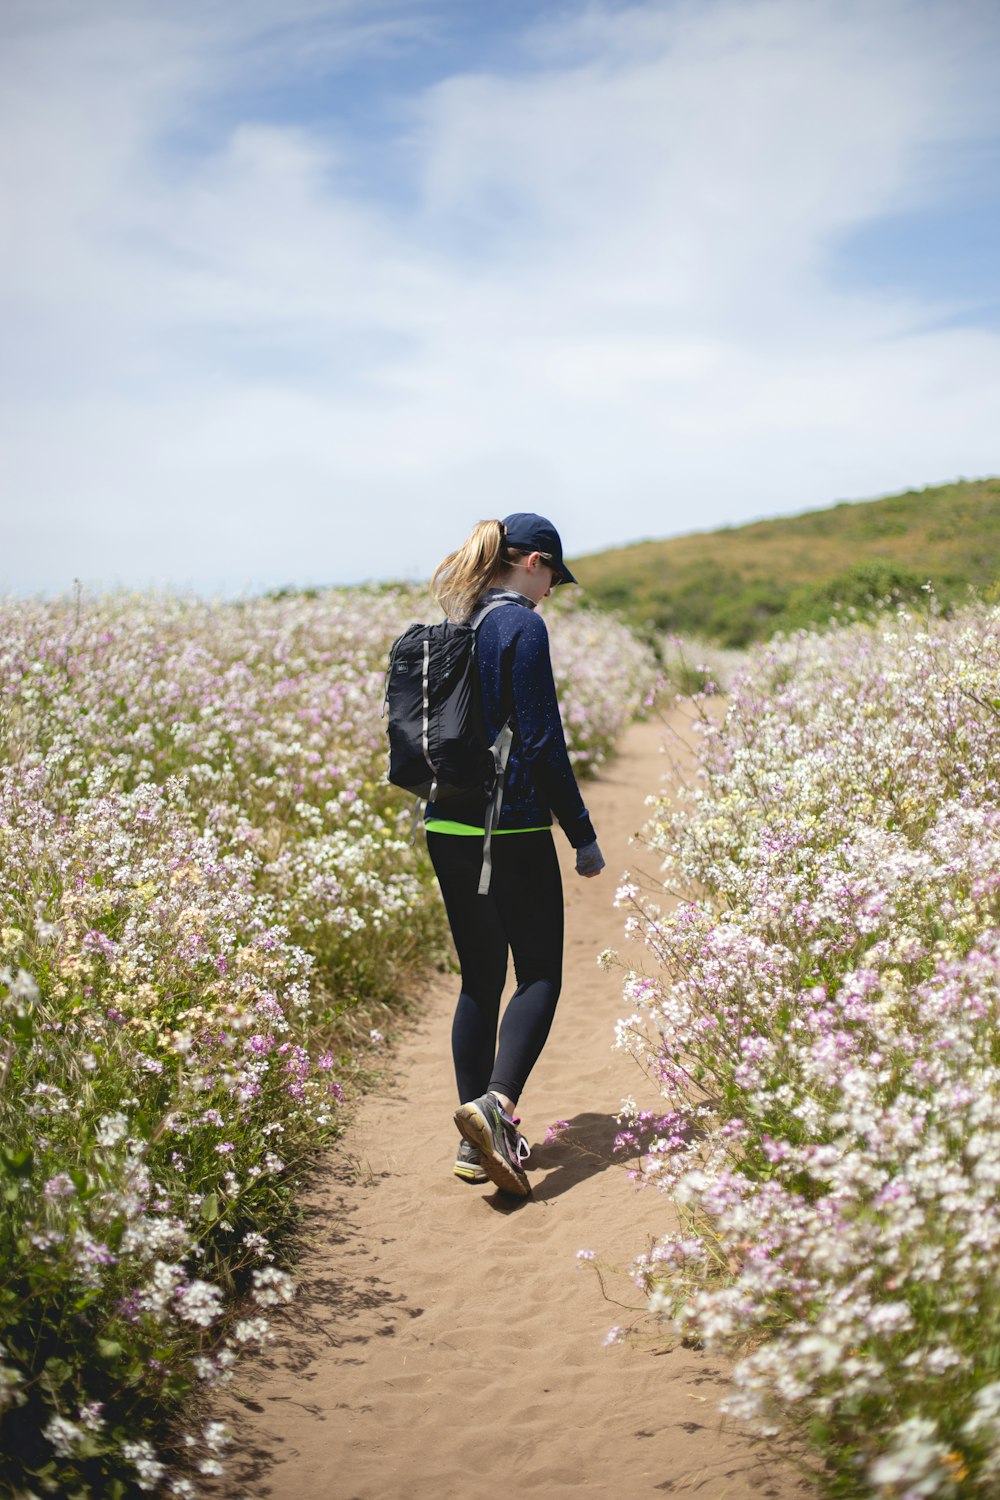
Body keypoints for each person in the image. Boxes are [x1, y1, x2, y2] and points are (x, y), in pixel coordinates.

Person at [426, 512, 605, 1196]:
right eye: (553, 573)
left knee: (478, 979)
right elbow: (541, 743)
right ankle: (497, 1109)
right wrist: (581, 834)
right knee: (539, 975)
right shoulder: (520, 625)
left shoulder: (456, 626)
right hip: (513, 827)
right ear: (530, 562)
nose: (553, 588)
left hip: (445, 823)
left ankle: (475, 1148)